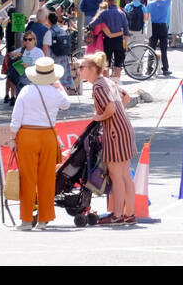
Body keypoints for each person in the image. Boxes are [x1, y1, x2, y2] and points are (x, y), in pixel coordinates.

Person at [8, 56, 72, 230]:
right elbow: (67, 104)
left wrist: (13, 137)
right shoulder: (56, 92)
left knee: (27, 179)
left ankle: (27, 220)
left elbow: (16, 118)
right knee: (47, 179)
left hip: (27, 135)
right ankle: (44, 219)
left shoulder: (26, 91)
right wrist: (59, 85)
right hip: (48, 136)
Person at [78, 52, 138, 224]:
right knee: (125, 174)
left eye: (82, 67)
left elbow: (110, 108)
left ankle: (118, 215)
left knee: (116, 175)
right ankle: (129, 213)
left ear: (92, 69)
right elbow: (125, 97)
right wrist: (116, 114)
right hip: (124, 128)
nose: (79, 70)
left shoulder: (98, 86)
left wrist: (99, 117)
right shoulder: (108, 81)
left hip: (114, 132)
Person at [89, 0, 129, 80]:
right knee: (118, 64)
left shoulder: (104, 13)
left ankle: (106, 83)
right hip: (118, 40)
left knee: (106, 63)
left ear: (107, 2)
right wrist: (126, 42)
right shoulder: (122, 13)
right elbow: (126, 29)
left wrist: (89, 27)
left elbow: (93, 23)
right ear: (115, 2)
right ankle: (116, 84)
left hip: (107, 40)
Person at [147, 0, 173, 77]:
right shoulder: (166, 3)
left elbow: (147, 17)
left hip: (153, 26)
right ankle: (165, 69)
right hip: (162, 26)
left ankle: (149, 69)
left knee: (151, 48)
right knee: (163, 49)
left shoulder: (150, 4)